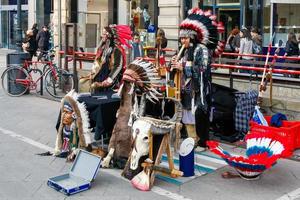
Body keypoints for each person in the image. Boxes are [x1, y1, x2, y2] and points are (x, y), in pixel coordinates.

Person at [171, 8, 224, 149]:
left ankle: (202, 141)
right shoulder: (186, 50)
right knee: (188, 112)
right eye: (181, 38)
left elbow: (202, 70)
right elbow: (181, 65)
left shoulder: (202, 49)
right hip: (187, 88)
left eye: (186, 38)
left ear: (192, 37)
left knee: (199, 113)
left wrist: (183, 67)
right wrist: (174, 64)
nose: (183, 41)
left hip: (199, 89)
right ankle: (191, 138)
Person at [79, 25, 132, 95]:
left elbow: (118, 66)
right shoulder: (103, 47)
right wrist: (92, 74)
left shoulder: (116, 50)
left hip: (109, 82)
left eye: (104, 34)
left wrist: (109, 80)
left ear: (109, 36)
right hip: (99, 78)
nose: (102, 36)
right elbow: (98, 61)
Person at [54, 90, 92, 161]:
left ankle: (72, 151)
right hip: (65, 145)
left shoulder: (75, 128)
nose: (64, 115)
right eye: (64, 112)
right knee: (65, 136)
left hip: (73, 146)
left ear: (73, 114)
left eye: (67, 112)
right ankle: (65, 149)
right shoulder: (64, 126)